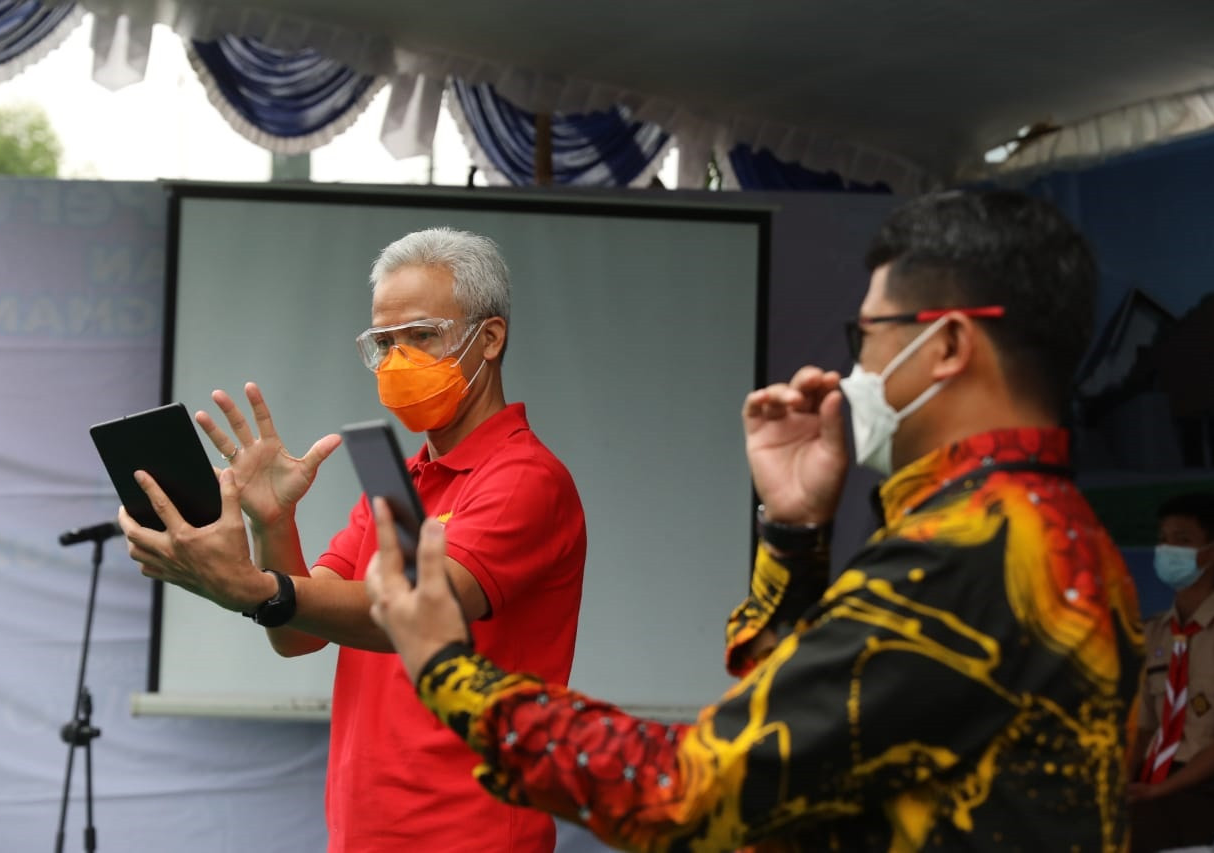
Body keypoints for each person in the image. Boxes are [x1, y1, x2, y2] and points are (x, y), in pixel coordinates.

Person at [364, 190, 1145, 850]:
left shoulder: (968, 553)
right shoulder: (1063, 535)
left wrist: (447, 669)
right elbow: (811, 731)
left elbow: (691, 789)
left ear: (946, 344)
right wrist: (796, 533)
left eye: (867, 337)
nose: (856, 369)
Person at [120, 227, 588, 852]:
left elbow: (418, 612)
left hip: (471, 834)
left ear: (491, 338)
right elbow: (298, 632)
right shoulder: (401, 482)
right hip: (362, 833)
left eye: (422, 336)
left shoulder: (526, 478)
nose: (399, 360)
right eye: (384, 342)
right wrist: (271, 522)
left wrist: (252, 587)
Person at [1128, 492, 1214, 852]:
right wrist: (1121, 782)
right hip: (1150, 780)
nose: (1167, 550)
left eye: (1183, 541)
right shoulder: (1153, 632)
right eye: (1163, 539)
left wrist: (1158, 790)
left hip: (1204, 785)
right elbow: (1142, 728)